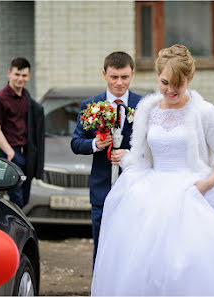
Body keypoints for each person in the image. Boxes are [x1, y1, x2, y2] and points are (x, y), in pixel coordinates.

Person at [91, 45, 214, 296]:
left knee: (187, 266)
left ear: (189, 79)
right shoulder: (147, 110)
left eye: (178, 84)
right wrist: (127, 159)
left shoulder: (204, 111)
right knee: (142, 264)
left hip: (190, 193)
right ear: (157, 77)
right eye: (164, 82)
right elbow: (141, 157)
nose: (170, 90)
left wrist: (201, 187)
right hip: (151, 192)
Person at [71, 51, 142, 265]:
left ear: (132, 74)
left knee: (132, 247)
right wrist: (95, 144)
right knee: (102, 247)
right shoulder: (90, 105)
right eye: (114, 77)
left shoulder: (143, 105)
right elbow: (76, 143)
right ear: (104, 74)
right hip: (102, 190)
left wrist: (131, 156)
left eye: (125, 77)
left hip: (134, 190)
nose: (119, 83)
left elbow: (152, 147)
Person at [0, 57, 44, 208]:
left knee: (24, 198)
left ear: (29, 76)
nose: (20, 78)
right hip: (11, 153)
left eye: (24, 75)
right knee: (16, 199)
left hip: (27, 153)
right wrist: (10, 153)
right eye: (17, 74)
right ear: (9, 74)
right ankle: (13, 230)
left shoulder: (26, 98)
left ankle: (15, 226)